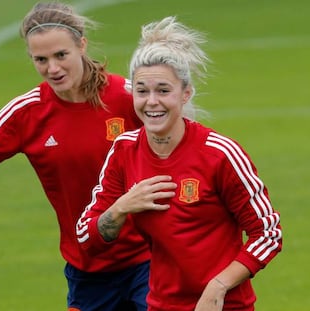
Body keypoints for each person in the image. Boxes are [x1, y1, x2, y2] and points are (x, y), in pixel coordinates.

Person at [0, 2, 151, 310]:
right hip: (88, 266)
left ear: (81, 44)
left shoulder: (130, 97)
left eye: (60, 55)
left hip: (150, 256)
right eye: (41, 59)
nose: (52, 68)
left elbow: (185, 143)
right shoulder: (28, 112)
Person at [76, 16, 282, 311]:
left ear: (185, 94)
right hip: (162, 305)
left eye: (163, 90)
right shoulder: (124, 150)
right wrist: (122, 206)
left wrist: (218, 286)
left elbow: (268, 233)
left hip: (224, 306)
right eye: (142, 91)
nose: (152, 102)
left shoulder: (220, 154)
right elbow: (87, 236)